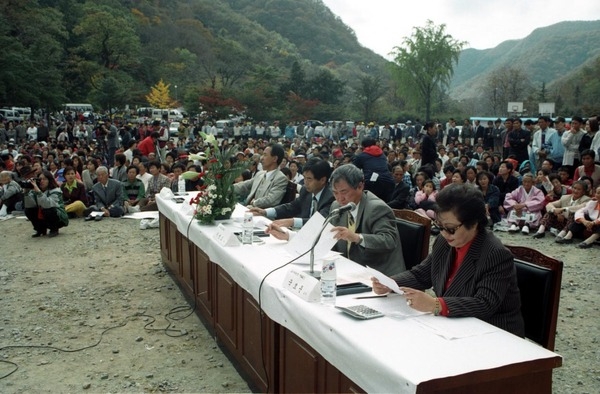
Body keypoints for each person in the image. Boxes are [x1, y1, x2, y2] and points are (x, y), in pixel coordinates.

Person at [371, 184, 525, 337]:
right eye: (440, 226)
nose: (444, 233)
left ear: (474, 223)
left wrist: (435, 304)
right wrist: (390, 283)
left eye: (450, 228)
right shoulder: (444, 242)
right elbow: (423, 274)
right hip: (452, 326)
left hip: (493, 334)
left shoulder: (495, 253)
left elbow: (484, 304)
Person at [249, 157, 334, 228]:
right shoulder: (306, 191)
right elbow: (291, 207)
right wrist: (265, 212)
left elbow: (319, 221)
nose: (305, 182)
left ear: (323, 180)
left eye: (309, 179)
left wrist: (292, 222)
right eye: (304, 178)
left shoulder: (331, 197)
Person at [234, 143, 288, 208]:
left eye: (265, 155)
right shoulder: (260, 174)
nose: (261, 158)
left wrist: (254, 203)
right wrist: (227, 188)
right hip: (249, 209)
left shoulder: (280, 178)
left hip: (263, 215)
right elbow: (244, 186)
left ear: (275, 159)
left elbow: (271, 200)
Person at [24, 170, 69, 237]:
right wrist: (26, 192)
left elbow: (47, 204)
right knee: (28, 210)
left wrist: (38, 191)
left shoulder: (56, 190)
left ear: (49, 180)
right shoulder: (35, 190)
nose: (41, 181)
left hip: (58, 218)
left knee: (48, 209)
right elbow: (30, 205)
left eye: (44, 179)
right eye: (40, 179)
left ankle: (54, 229)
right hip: (44, 215)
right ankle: (40, 230)